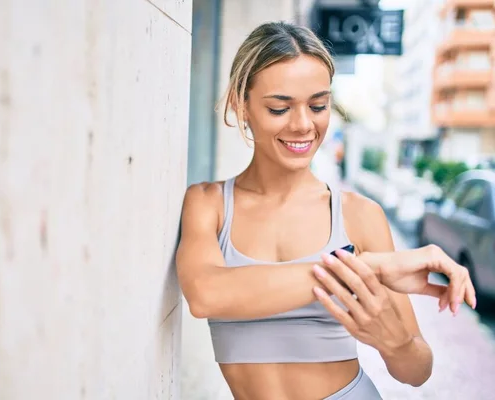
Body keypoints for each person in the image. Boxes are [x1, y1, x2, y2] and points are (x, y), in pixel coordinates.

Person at [176, 22, 475, 400]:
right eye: (279, 107)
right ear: (241, 104)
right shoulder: (209, 203)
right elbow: (206, 295)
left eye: (318, 105)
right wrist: (369, 267)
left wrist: (395, 343)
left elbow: (417, 371)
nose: (303, 125)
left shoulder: (359, 215)